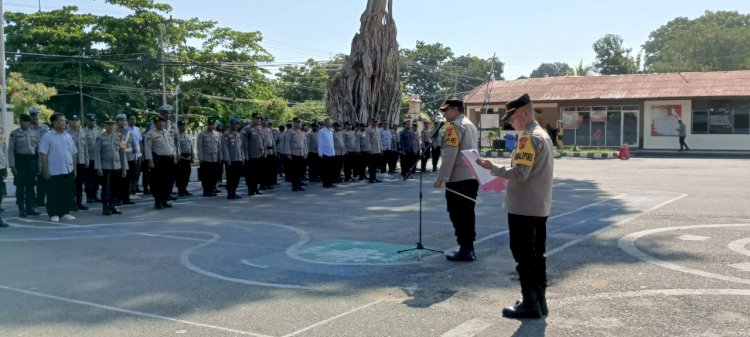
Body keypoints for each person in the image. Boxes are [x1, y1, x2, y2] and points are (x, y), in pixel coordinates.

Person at [477, 93, 554, 319]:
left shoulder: (527, 138)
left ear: (525, 113)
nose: (510, 121)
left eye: (512, 117)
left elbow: (520, 174)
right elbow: (525, 169)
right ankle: (539, 301)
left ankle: (530, 304)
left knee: (524, 256)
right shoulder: (543, 136)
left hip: (523, 208)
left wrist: (494, 168)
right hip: (538, 206)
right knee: (537, 256)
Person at [433, 99, 479, 262]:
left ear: (455, 109)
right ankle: (468, 248)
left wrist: (441, 178)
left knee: (457, 214)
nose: (444, 114)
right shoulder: (470, 124)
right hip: (472, 176)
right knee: (467, 213)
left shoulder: (454, 126)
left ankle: (465, 249)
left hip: (458, 177)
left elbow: (450, 154)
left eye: (446, 110)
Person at [39, 113, 77, 222]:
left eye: (64, 120)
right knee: (53, 193)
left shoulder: (68, 136)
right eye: (61, 120)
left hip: (68, 169)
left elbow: (74, 153)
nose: (64, 122)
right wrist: (45, 171)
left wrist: (74, 168)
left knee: (66, 192)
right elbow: (43, 154)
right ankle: (53, 213)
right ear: (54, 122)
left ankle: (65, 212)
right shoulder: (47, 136)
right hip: (54, 171)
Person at [8, 114, 41, 217]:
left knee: (31, 186)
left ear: (29, 122)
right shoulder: (14, 134)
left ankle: (30, 207)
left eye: (25, 121)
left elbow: (38, 151)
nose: (22, 123)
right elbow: (10, 151)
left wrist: (39, 165)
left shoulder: (35, 133)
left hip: (31, 161)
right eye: (21, 121)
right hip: (20, 162)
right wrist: (12, 166)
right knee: (20, 186)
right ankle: (21, 209)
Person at [95, 118, 128, 215]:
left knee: (115, 187)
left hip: (117, 166)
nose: (111, 127)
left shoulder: (119, 137)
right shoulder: (100, 138)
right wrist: (99, 168)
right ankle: (105, 207)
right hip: (106, 167)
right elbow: (97, 154)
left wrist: (124, 168)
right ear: (105, 126)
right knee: (106, 188)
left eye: (112, 125)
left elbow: (122, 153)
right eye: (109, 125)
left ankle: (112, 205)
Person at [144, 114, 176, 209]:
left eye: (162, 122)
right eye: (158, 122)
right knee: (158, 182)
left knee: (169, 181)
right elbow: (147, 148)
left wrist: (174, 156)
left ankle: (165, 200)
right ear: (155, 123)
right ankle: (158, 201)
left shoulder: (167, 132)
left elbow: (172, 146)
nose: (161, 124)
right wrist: (150, 161)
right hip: (158, 160)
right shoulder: (150, 134)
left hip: (169, 159)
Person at [28, 107, 50, 207]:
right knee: (31, 180)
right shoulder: (27, 128)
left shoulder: (45, 128)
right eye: (32, 116)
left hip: (43, 156)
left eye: (36, 116)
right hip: (31, 157)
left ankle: (41, 199)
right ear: (30, 117)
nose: (34, 118)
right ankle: (31, 200)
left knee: (42, 179)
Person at [67, 115, 89, 211]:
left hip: (81, 161)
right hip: (71, 162)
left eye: (77, 120)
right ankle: (71, 203)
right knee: (72, 184)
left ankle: (79, 202)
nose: (76, 122)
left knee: (80, 184)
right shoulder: (66, 133)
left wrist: (87, 160)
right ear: (70, 122)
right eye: (73, 120)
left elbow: (85, 148)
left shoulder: (82, 132)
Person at [197, 118, 223, 197]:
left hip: (215, 158)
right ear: (207, 125)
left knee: (214, 176)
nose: (211, 126)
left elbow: (219, 147)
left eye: (213, 125)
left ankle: (211, 189)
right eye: (210, 124)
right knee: (206, 177)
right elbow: (200, 147)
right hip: (206, 158)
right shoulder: (202, 134)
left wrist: (220, 157)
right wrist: (201, 158)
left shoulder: (217, 134)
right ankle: (206, 191)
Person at [116, 114, 137, 205]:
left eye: (124, 120)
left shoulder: (129, 132)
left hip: (129, 158)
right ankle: (119, 198)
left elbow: (134, 145)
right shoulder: (115, 132)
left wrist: (135, 155)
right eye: (121, 120)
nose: (123, 122)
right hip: (119, 159)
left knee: (128, 180)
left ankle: (126, 198)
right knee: (119, 180)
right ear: (117, 122)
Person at [222, 117, 245, 199]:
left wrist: (242, 158)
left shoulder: (238, 134)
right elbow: (225, 147)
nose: (235, 126)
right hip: (231, 160)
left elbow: (241, 147)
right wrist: (227, 159)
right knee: (230, 177)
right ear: (230, 124)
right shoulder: (226, 134)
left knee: (237, 178)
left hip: (238, 159)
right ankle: (230, 193)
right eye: (234, 124)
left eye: (236, 124)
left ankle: (234, 192)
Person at [243, 114, 265, 196]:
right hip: (251, 156)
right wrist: (246, 156)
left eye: (259, 118)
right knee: (250, 174)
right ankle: (250, 189)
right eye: (256, 118)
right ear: (252, 119)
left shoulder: (259, 129)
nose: (258, 120)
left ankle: (256, 188)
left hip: (259, 155)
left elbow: (262, 141)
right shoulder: (247, 129)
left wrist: (263, 151)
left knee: (258, 173)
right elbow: (245, 144)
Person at [284, 118, 307, 191]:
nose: (298, 124)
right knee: (294, 171)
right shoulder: (290, 132)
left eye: (299, 122)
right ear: (293, 123)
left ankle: (299, 185)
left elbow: (304, 144)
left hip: (301, 153)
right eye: (297, 122)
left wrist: (305, 153)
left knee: (300, 170)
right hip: (293, 154)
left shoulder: (301, 132)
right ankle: (294, 186)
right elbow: (287, 143)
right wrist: (288, 154)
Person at [83, 114, 102, 203]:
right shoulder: (83, 132)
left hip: (97, 159)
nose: (93, 122)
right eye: (91, 120)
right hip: (88, 158)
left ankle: (95, 195)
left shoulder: (98, 131)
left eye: (94, 120)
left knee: (96, 178)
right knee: (88, 179)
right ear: (87, 120)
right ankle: (89, 196)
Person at [175, 120, 194, 196]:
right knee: (180, 175)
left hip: (188, 157)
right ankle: (180, 190)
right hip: (181, 158)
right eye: (182, 125)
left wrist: (192, 156)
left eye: (184, 125)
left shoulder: (188, 135)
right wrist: (177, 156)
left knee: (187, 174)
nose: (184, 127)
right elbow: (175, 147)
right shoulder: (176, 135)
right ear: (179, 126)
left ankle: (185, 188)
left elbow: (191, 146)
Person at [125, 114, 143, 194]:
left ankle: (135, 188)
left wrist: (142, 153)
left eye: (134, 119)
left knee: (137, 172)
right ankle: (129, 189)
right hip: (130, 155)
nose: (133, 121)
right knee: (130, 172)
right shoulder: (125, 129)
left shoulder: (137, 129)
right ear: (128, 120)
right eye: (131, 119)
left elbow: (140, 141)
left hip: (138, 154)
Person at [318, 118, 336, 188]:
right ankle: (325, 183)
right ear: (324, 123)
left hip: (331, 152)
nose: (329, 123)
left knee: (331, 169)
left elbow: (332, 143)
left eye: (330, 122)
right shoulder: (321, 131)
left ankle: (330, 183)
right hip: (325, 153)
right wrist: (320, 153)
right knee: (326, 170)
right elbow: (320, 142)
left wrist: (333, 152)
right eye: (328, 122)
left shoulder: (331, 131)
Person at [366, 118, 382, 183]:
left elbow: (379, 140)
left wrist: (381, 148)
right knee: (371, 165)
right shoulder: (368, 129)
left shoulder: (377, 129)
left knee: (375, 165)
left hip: (377, 150)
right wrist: (369, 149)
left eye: (376, 122)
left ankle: (374, 177)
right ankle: (371, 178)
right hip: (372, 150)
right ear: (371, 122)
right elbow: (367, 140)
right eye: (374, 122)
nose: (375, 123)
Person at [0, 127, 8, 227]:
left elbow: (4, 150)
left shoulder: (1, 131)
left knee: (0, 193)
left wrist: (5, 166)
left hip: (0, 167)